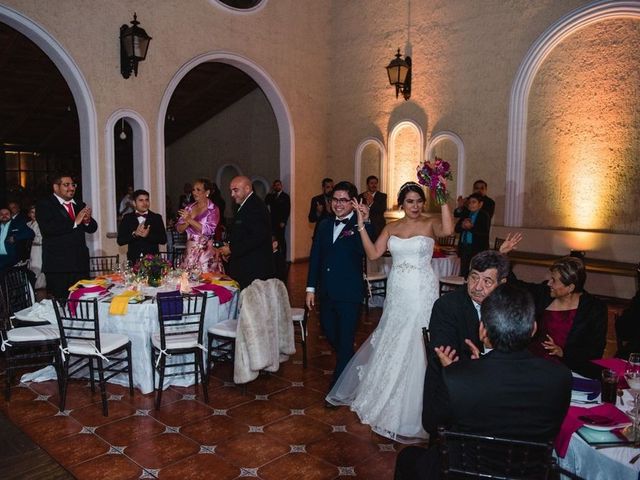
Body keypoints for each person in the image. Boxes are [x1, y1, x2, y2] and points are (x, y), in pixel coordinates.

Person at [395, 284, 572, 480]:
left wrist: (458, 372)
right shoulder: (560, 377)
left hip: (464, 472)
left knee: (407, 457)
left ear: (482, 330)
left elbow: (431, 423)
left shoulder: (459, 378)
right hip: (528, 474)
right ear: (533, 329)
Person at [326, 181, 453, 443]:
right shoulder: (392, 227)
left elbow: (449, 228)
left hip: (422, 288)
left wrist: (441, 195)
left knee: (419, 337)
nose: (415, 206)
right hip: (398, 289)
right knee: (394, 334)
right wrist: (361, 222)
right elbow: (373, 253)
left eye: (419, 201)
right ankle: (382, 396)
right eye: (410, 201)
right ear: (401, 204)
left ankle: (418, 405)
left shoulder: (430, 224)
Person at [423, 247, 516, 435]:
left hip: (496, 389)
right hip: (453, 391)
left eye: (487, 281)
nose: (477, 286)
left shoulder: (508, 307)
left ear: (502, 283)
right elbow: (446, 356)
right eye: (474, 277)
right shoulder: (447, 306)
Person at [306, 181, 373, 391]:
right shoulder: (325, 224)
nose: (338, 204)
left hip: (349, 293)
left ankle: (338, 389)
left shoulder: (360, 225)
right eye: (335, 199)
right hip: (326, 292)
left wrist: (365, 221)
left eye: (343, 200)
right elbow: (315, 257)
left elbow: (366, 251)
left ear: (353, 202)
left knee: (345, 341)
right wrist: (310, 288)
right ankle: (351, 362)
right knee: (327, 330)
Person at [509, 255, 607, 378]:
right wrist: (503, 256)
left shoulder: (594, 309)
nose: (549, 283)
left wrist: (563, 353)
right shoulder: (544, 294)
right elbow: (516, 286)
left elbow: (595, 351)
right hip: (531, 365)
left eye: (554, 280)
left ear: (570, 287)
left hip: (569, 370)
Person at [36, 173, 98, 299]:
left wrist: (86, 220)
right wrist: (75, 222)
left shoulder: (79, 204)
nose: (71, 188)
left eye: (73, 185)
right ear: (56, 187)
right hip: (58, 267)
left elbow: (93, 228)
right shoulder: (45, 205)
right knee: (62, 305)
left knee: (83, 303)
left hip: (80, 265)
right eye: (66, 185)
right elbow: (48, 229)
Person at [219, 175, 274, 288]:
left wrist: (231, 249)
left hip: (253, 270)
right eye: (231, 191)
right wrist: (231, 249)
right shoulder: (247, 205)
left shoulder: (255, 206)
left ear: (247, 189)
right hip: (246, 266)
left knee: (251, 304)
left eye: (235, 190)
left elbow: (257, 237)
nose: (232, 195)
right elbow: (243, 233)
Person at [176, 178, 221, 273]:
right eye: (193, 189)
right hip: (190, 252)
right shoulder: (189, 207)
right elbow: (179, 229)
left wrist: (189, 219)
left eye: (198, 190)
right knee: (187, 283)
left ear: (207, 192)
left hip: (206, 253)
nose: (194, 192)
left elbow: (209, 231)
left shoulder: (213, 209)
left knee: (206, 282)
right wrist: (187, 221)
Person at [117, 189, 168, 264]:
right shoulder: (127, 218)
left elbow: (163, 240)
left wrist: (148, 235)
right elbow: (120, 241)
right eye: (141, 200)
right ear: (134, 203)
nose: (145, 203)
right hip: (133, 260)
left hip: (153, 262)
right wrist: (134, 234)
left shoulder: (156, 217)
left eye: (147, 200)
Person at [455, 192, 490, 277]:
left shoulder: (484, 215)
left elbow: (484, 232)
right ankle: (463, 289)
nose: (471, 205)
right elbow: (456, 229)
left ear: (480, 204)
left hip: (477, 248)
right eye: (469, 202)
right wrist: (463, 226)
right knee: (463, 272)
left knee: (475, 272)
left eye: (474, 202)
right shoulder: (466, 213)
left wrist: (471, 228)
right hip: (464, 247)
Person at [0, 206, 35, 273]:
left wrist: (15, 237)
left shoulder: (18, 223)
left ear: (11, 215)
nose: (4, 216)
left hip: (12, 258)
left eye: (6, 214)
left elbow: (30, 233)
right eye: (1, 214)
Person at [265, 179, 291, 257]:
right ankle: (275, 257)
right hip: (272, 221)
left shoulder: (285, 196)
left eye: (278, 185)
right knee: (273, 239)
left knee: (281, 240)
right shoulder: (272, 196)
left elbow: (287, 210)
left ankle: (283, 257)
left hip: (281, 222)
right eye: (275, 185)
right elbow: (266, 202)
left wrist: (284, 221)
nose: (277, 186)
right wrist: (271, 193)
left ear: (281, 186)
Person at [357, 175, 387, 241]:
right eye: (371, 183)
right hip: (364, 226)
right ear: (367, 185)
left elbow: (382, 209)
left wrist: (371, 203)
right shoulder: (361, 196)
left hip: (378, 227)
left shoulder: (382, 196)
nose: (374, 185)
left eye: (375, 183)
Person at [26, 205, 45, 289]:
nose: (34, 214)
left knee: (37, 269)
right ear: (29, 214)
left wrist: (31, 239)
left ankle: (38, 289)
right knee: (29, 269)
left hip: (37, 250)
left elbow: (42, 238)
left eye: (36, 212)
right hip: (28, 251)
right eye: (32, 212)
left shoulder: (42, 224)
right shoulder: (27, 224)